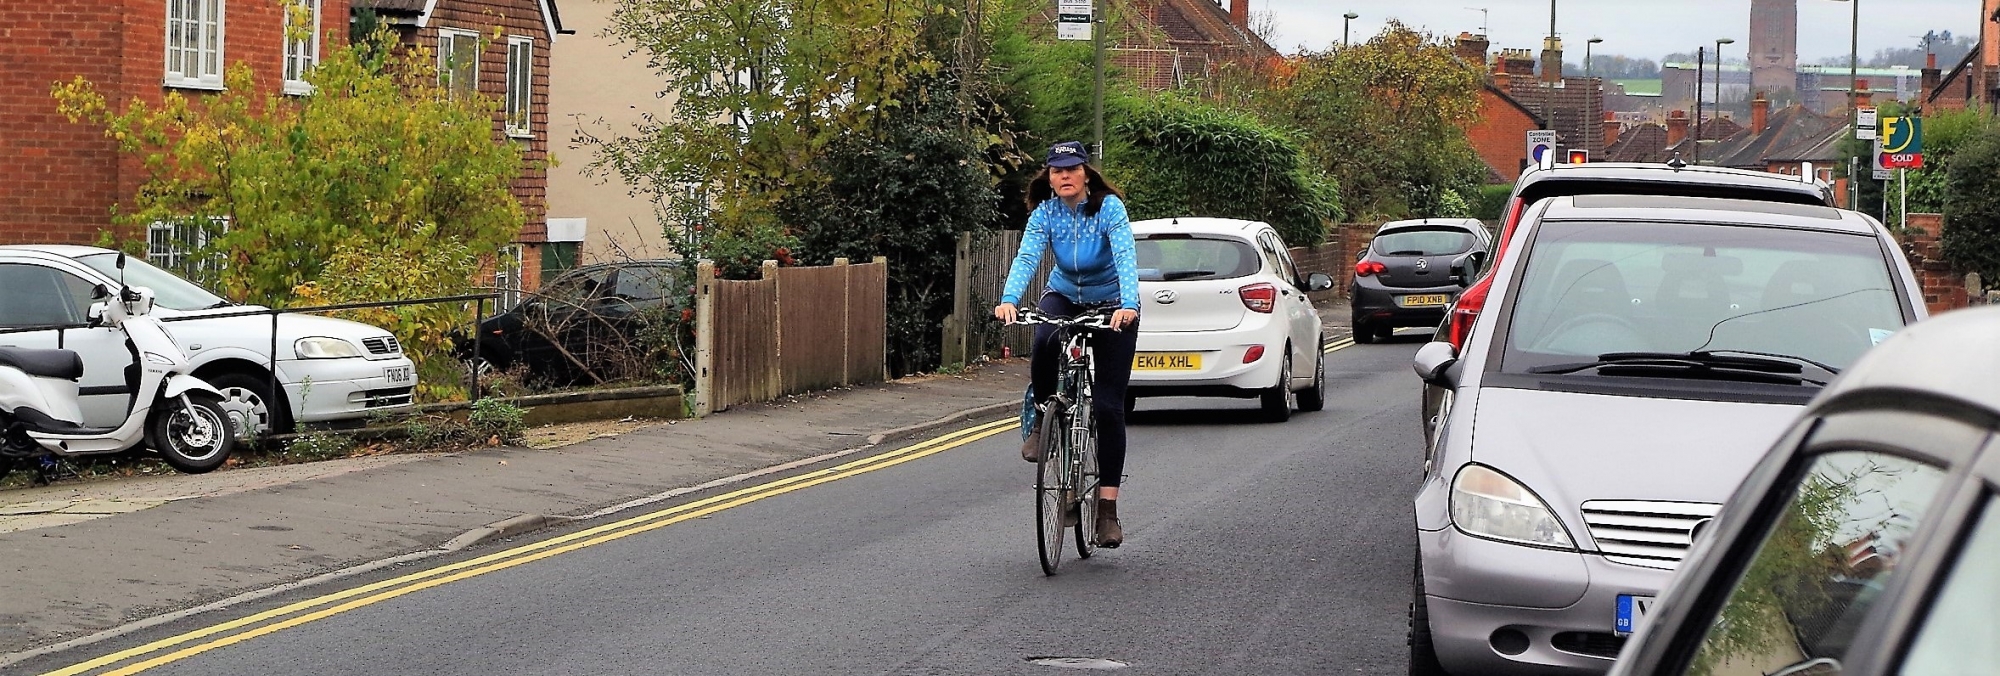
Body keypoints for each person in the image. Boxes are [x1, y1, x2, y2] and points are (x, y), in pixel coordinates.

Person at [994, 141, 1140, 548]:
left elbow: (1126, 256)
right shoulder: (1046, 213)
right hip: (1065, 294)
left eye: (1072, 169)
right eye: (1057, 170)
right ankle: (1043, 420)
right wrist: (1009, 298)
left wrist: (1128, 305)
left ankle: (1107, 512)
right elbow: (1027, 257)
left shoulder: (1109, 208)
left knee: (1110, 407)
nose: (1064, 176)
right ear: (1049, 176)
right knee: (1043, 338)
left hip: (1112, 301)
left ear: (1086, 174)